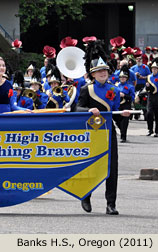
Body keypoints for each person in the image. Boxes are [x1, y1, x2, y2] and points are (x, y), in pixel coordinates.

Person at [76, 40, 130, 215]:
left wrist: (123, 115)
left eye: (104, 71)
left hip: (108, 132)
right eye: (99, 71)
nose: (102, 73)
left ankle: (111, 203)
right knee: (90, 166)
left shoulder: (114, 90)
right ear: (93, 74)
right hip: (91, 133)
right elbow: (76, 108)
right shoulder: (86, 89)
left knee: (112, 168)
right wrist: (88, 110)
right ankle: (86, 195)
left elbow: (114, 112)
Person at [115, 66, 135, 142]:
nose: (122, 78)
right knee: (117, 121)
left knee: (124, 122)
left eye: (124, 77)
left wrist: (124, 95)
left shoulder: (130, 87)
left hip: (126, 105)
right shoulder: (116, 86)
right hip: (118, 105)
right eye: (121, 77)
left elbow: (132, 97)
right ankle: (122, 131)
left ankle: (123, 136)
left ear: (126, 78)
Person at [145, 58, 158, 137]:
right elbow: (147, 88)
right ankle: (150, 129)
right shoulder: (149, 77)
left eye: (155, 69)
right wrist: (147, 87)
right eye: (153, 69)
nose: (154, 70)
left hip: (157, 96)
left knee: (157, 114)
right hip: (150, 96)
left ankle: (157, 131)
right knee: (149, 113)